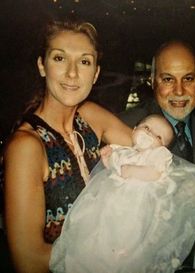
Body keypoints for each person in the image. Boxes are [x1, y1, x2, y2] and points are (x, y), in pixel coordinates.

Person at [3, 17, 132, 273]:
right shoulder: (27, 146)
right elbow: (29, 261)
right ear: (42, 65)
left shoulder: (90, 116)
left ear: (95, 73)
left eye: (84, 62)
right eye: (59, 58)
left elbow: (148, 148)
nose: (72, 73)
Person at [49, 114, 195, 273]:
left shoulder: (158, 156)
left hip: (137, 204)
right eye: (147, 128)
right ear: (134, 130)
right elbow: (113, 167)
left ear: (163, 147)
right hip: (111, 199)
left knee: (130, 232)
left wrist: (134, 171)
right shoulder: (123, 151)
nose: (150, 134)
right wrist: (107, 159)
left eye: (158, 137)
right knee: (101, 225)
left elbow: (155, 173)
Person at [119, 40, 195, 205]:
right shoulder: (125, 125)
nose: (179, 91)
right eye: (168, 79)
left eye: (188, 78)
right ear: (153, 81)